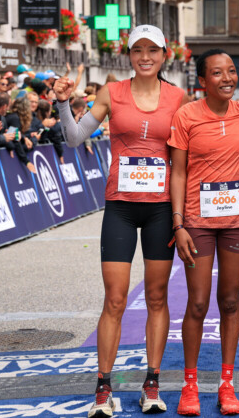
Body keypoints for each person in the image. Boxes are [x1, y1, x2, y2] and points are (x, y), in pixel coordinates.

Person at [54, 25, 187, 418]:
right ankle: (103, 388)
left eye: (152, 50)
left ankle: (152, 384)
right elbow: (75, 137)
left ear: (164, 55)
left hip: (161, 208)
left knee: (157, 297)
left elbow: (188, 156)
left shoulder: (178, 98)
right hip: (121, 207)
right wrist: (63, 103)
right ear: (129, 55)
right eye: (138, 50)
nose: (145, 57)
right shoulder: (111, 93)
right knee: (115, 298)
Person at [169, 50, 239, 416]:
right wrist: (178, 224)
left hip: (235, 222)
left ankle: (227, 384)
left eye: (231, 71)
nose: (227, 78)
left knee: (229, 301)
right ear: (202, 80)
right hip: (197, 222)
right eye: (217, 73)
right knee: (198, 303)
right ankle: (190, 385)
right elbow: (178, 172)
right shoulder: (187, 116)